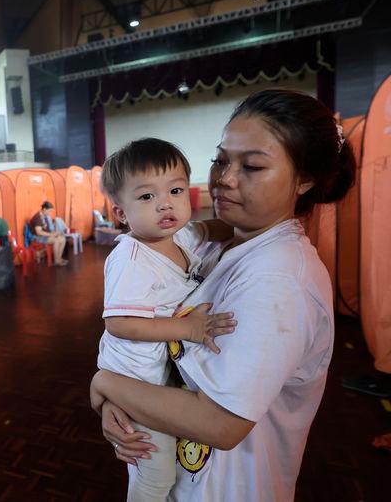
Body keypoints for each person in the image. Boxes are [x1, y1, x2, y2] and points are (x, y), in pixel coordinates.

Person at [90, 89, 356, 501]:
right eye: (220, 160)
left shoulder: (280, 279)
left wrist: (105, 382)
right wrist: (123, 407)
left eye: (251, 166)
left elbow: (221, 424)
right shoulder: (213, 243)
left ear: (304, 180)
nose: (224, 179)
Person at [97, 138, 237, 501]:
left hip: (159, 377)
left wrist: (241, 231)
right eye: (146, 197)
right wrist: (187, 328)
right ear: (121, 214)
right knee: (155, 472)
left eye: (175, 190)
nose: (165, 203)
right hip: (136, 379)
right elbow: (120, 324)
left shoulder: (181, 237)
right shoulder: (131, 259)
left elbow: (209, 229)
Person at [29, 201, 68, 266]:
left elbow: (48, 229)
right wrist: (52, 235)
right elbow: (39, 232)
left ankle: (59, 258)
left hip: (44, 235)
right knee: (56, 240)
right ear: (44, 209)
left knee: (62, 238)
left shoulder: (45, 216)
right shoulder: (38, 217)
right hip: (37, 237)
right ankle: (56, 261)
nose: (50, 213)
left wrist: (55, 233)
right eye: (49, 211)